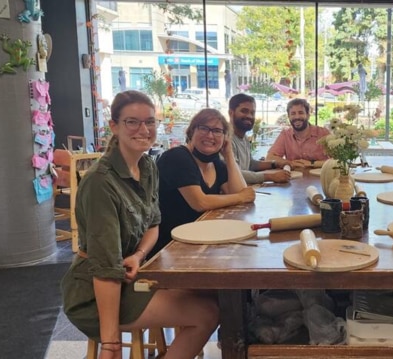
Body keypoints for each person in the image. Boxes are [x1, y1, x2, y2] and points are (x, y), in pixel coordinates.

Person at [61, 90, 219, 358]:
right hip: (94, 292)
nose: (143, 129)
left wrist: (138, 254)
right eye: (132, 122)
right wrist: (111, 345)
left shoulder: (147, 166)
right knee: (208, 314)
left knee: (212, 291)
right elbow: (106, 268)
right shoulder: (101, 182)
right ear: (114, 126)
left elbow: (153, 224)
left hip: (131, 273)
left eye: (150, 122)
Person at [152, 108, 255, 257]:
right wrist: (241, 197)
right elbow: (200, 202)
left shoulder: (216, 164)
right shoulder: (177, 157)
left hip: (200, 241)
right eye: (204, 128)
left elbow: (238, 193)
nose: (210, 135)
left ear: (225, 138)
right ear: (191, 131)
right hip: (169, 248)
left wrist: (229, 155)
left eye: (217, 131)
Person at [228, 93, 291, 184]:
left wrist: (275, 163)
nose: (249, 116)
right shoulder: (225, 139)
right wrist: (270, 176)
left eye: (252, 112)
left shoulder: (243, 137)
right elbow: (232, 174)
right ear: (231, 113)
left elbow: (250, 164)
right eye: (244, 111)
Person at [266, 98, 330, 168]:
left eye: (301, 113)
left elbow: (338, 161)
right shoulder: (285, 135)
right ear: (289, 117)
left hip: (320, 178)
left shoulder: (323, 133)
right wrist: (290, 163)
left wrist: (312, 163)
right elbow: (269, 158)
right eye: (293, 114)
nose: (297, 117)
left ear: (308, 115)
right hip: (294, 178)